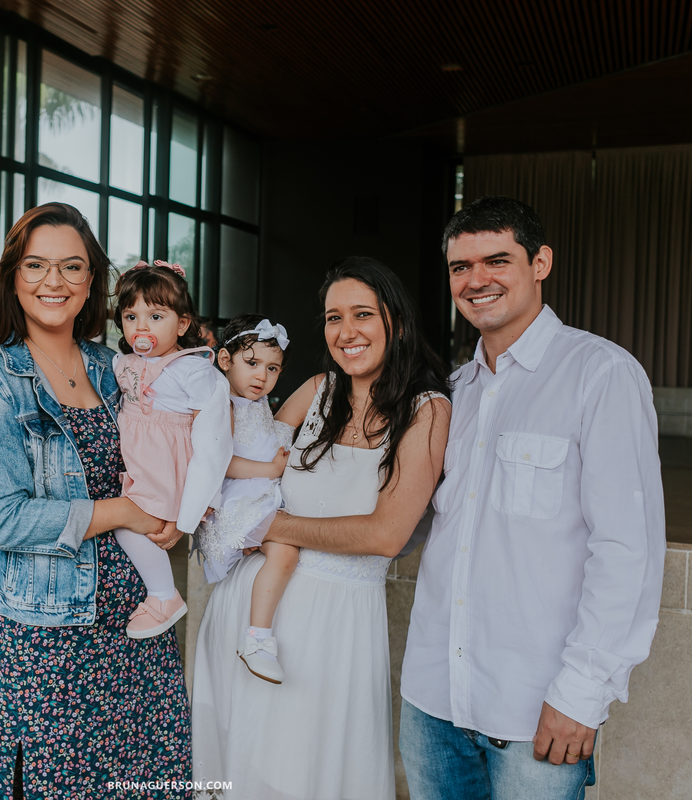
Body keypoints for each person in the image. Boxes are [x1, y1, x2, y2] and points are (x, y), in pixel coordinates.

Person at [399, 196, 666, 800]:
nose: (476, 280)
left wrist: (582, 692)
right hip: (432, 698)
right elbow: (416, 524)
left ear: (540, 262)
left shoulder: (600, 375)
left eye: (497, 260)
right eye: (460, 266)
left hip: (534, 710)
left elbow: (628, 548)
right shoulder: (451, 393)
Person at [193, 257, 451, 799]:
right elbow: (236, 454)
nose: (345, 331)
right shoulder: (315, 391)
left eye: (362, 314)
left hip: (336, 625)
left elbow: (385, 534)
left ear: (396, 322)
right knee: (241, 772)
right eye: (334, 317)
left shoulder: (427, 411)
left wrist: (271, 527)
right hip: (248, 613)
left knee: (306, 774)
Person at [0, 203, 191, 798]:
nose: (53, 282)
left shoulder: (119, 368)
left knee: (148, 779)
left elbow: (169, 448)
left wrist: (175, 513)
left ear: (92, 282)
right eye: (36, 265)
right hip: (50, 630)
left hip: (139, 618)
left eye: (71, 267)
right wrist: (124, 512)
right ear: (12, 276)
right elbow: (2, 519)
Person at [110, 260, 230, 638]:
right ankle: (159, 594)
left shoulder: (194, 369)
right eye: (131, 316)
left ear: (182, 324)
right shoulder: (122, 363)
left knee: (128, 528)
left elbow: (210, 439)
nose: (141, 327)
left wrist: (193, 506)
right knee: (129, 528)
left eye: (156, 315)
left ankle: (164, 596)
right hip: (135, 460)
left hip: (162, 464)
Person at [195, 314, 295, 684]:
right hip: (237, 505)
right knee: (287, 552)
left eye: (272, 368)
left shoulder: (257, 404)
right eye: (251, 364)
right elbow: (220, 460)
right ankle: (257, 639)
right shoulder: (225, 405)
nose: (262, 376)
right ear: (225, 360)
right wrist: (270, 471)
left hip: (257, 498)